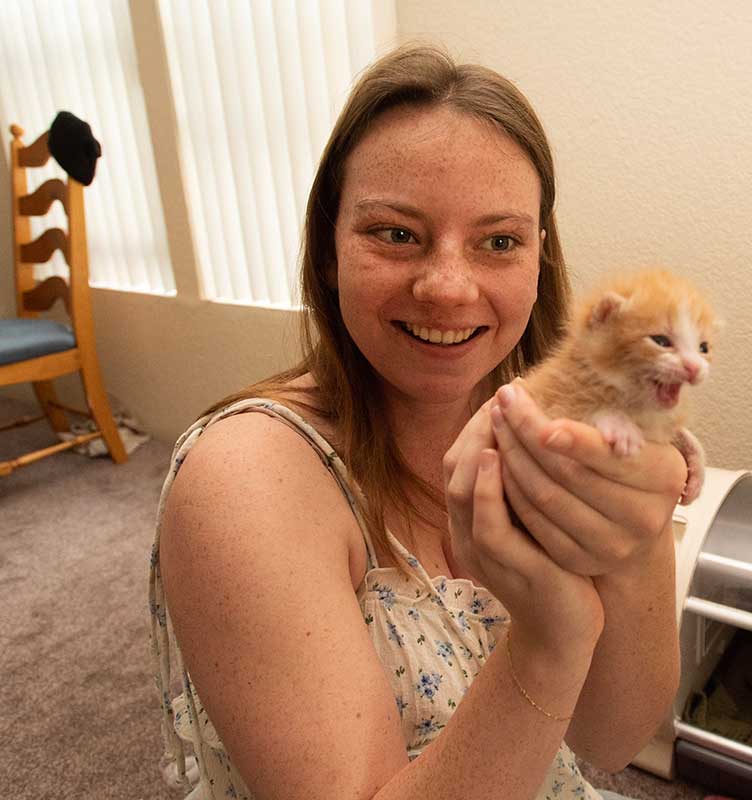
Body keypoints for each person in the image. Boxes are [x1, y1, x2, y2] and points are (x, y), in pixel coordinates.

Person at [148, 44, 686, 800]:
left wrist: (635, 543)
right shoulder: (244, 482)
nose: (446, 287)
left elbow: (611, 736)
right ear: (330, 250)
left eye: (499, 241)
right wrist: (550, 639)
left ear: (540, 260)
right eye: (396, 233)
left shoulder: (560, 435)